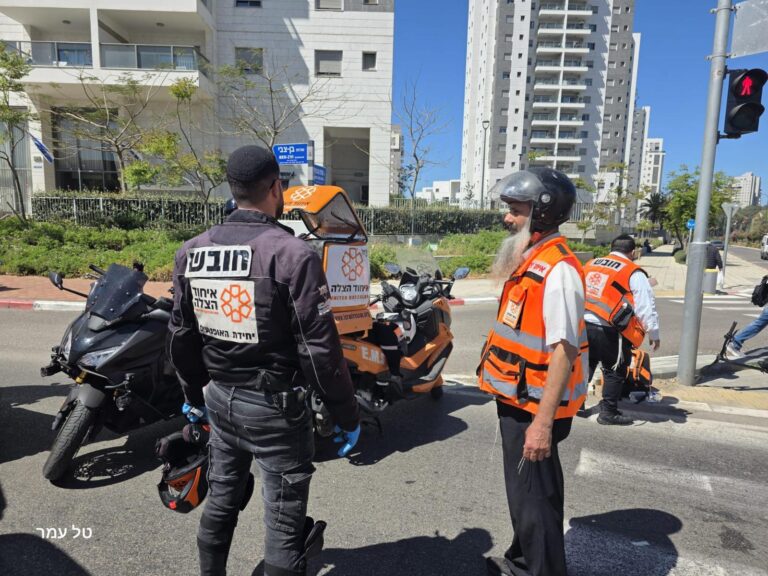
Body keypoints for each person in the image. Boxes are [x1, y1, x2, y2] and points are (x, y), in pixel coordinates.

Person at [168, 145, 361, 576]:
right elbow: (319, 350)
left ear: (233, 189)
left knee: (222, 499)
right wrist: (347, 413)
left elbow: (180, 336)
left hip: (220, 400)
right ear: (276, 188)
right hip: (276, 412)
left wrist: (193, 395)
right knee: (283, 525)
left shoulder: (191, 251)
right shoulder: (293, 255)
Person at [478, 167, 589, 576]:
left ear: (542, 212)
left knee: (534, 500)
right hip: (520, 397)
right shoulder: (534, 258)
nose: (506, 216)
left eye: (515, 209)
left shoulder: (558, 270)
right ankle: (522, 562)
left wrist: (541, 424)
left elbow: (564, 350)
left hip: (535, 407)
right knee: (527, 494)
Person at [583, 234, 661, 426]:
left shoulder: (592, 263)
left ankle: (575, 404)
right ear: (632, 252)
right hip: (609, 328)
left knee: (586, 364)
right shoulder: (633, 271)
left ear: (611, 248)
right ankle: (608, 413)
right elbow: (645, 306)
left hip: (582, 324)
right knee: (615, 369)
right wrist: (653, 333)